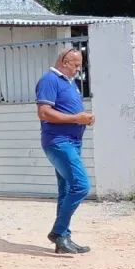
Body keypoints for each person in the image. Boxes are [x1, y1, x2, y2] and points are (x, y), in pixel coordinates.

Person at [36, 48, 94, 255]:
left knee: (67, 189)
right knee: (81, 185)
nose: (79, 69)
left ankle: (64, 239)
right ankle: (58, 231)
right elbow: (44, 112)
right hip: (59, 142)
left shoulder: (69, 83)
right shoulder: (49, 80)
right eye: (76, 65)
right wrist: (76, 119)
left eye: (80, 65)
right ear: (64, 61)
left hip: (72, 142)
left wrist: (84, 118)